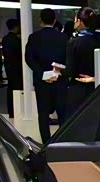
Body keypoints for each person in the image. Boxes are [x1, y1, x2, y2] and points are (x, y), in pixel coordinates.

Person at [25, 8, 69, 142]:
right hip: (60, 80)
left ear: (40, 20)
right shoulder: (63, 37)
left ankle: (46, 143)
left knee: (43, 114)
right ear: (54, 21)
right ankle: (62, 141)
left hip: (41, 81)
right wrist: (58, 72)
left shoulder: (33, 37)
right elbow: (68, 58)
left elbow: (29, 58)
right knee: (62, 113)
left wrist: (42, 74)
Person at [65, 7, 100, 112]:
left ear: (79, 21)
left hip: (78, 88)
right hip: (98, 88)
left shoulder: (74, 42)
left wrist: (59, 71)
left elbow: (70, 70)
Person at [2, 19, 23, 118]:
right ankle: (18, 110)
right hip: (17, 67)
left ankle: (11, 111)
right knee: (18, 89)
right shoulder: (17, 40)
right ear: (16, 27)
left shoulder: (5, 39)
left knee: (10, 88)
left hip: (8, 67)